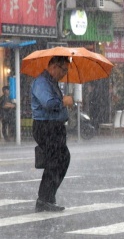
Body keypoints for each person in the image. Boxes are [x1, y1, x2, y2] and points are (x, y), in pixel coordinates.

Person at [31, 56, 73, 212]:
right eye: (63, 70)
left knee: (63, 158)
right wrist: (63, 102)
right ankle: (44, 198)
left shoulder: (53, 83)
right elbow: (48, 103)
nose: (64, 74)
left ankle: (48, 197)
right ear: (54, 66)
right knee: (54, 161)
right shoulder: (41, 82)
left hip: (56, 127)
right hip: (46, 127)